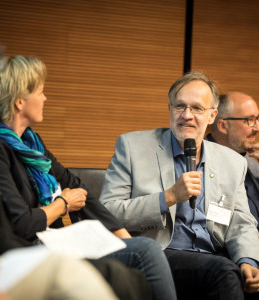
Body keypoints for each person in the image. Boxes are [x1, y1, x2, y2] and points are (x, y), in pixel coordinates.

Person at [0, 37, 155, 300]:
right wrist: (62, 204)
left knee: (130, 271)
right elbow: (9, 227)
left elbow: (74, 185)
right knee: (120, 266)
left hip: (25, 248)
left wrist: (120, 233)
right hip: (12, 253)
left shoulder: (29, 143)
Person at [99, 71, 259, 300]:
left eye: (197, 108)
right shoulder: (133, 147)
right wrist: (169, 197)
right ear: (170, 109)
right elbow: (108, 212)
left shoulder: (232, 162)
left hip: (216, 254)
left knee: (240, 275)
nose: (186, 115)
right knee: (222, 272)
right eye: (179, 106)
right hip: (161, 255)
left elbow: (241, 222)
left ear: (213, 115)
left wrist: (248, 261)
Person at [208, 91, 259, 229]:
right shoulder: (201, 162)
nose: (257, 128)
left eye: (258, 118)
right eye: (250, 120)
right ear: (223, 126)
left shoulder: (252, 162)